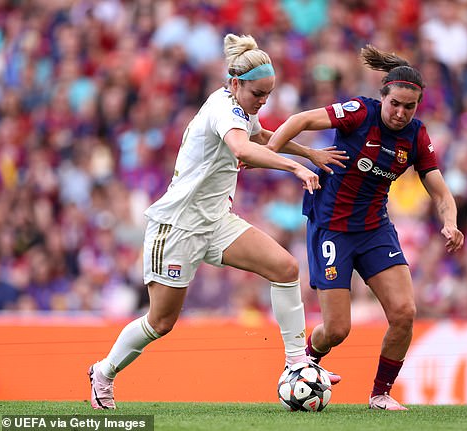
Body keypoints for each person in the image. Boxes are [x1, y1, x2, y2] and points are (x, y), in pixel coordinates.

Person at [88, 33, 345, 410]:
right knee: (160, 322)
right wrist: (294, 167)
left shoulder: (241, 108)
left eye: (268, 95)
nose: (263, 102)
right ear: (236, 83)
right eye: (258, 94)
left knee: (285, 268)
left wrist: (309, 153)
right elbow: (244, 149)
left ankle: (296, 362)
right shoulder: (221, 108)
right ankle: (103, 372)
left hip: (216, 221)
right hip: (177, 226)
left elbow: (261, 136)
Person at [267, 44, 465, 410]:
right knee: (338, 330)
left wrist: (450, 222)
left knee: (405, 313)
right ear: (383, 97)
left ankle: (380, 393)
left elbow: (440, 190)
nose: (401, 113)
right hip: (332, 227)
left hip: (375, 229)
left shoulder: (416, 137)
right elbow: (299, 121)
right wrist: (270, 155)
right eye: (395, 104)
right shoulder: (359, 112)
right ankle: (306, 359)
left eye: (410, 107)